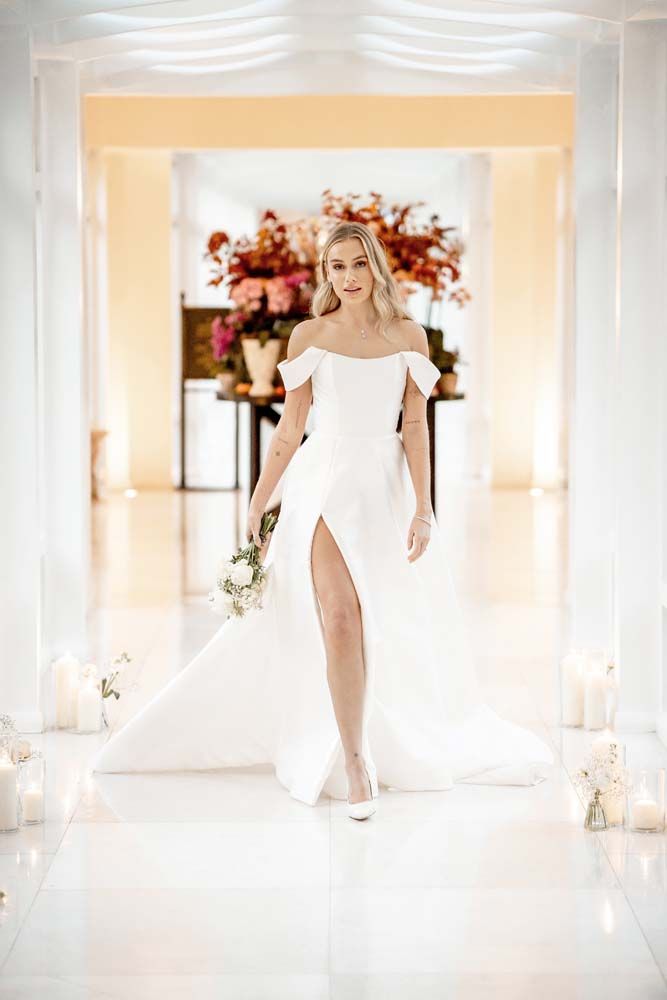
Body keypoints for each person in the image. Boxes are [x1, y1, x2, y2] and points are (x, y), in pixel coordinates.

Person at [91, 221, 554, 820]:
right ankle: (356, 760)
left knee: (381, 624)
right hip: (323, 483)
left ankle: (378, 735)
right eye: (336, 266)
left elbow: (414, 426)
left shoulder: (408, 334)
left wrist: (423, 504)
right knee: (339, 618)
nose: (348, 277)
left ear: (376, 268)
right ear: (325, 274)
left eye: (358, 264)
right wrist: (261, 498)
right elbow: (290, 425)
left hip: (382, 487)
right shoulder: (308, 335)